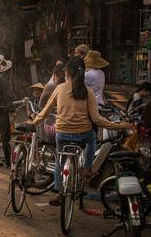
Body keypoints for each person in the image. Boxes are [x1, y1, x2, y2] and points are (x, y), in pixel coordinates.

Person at [31, 56, 130, 206]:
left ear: (66, 73)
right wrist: (120, 125)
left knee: (60, 160)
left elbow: (44, 112)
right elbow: (97, 119)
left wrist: (33, 123)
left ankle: (58, 191)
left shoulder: (59, 88)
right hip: (82, 134)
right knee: (92, 138)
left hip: (62, 133)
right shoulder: (88, 91)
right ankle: (88, 168)